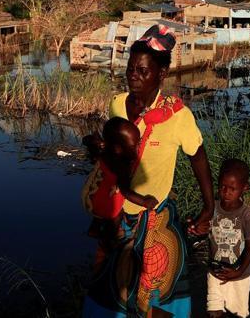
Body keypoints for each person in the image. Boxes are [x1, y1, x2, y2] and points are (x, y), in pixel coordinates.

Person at [82, 24, 215, 317]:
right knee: (108, 294)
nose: (134, 76)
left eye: (143, 71)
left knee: (158, 296)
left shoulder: (177, 116)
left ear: (162, 74)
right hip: (117, 215)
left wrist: (209, 206)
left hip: (154, 217)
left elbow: (198, 157)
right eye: (131, 69)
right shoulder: (117, 104)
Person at [83, 117, 158, 243]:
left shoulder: (106, 151)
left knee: (100, 211)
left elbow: (88, 142)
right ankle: (109, 242)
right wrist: (144, 201)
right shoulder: (120, 165)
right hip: (104, 202)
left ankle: (94, 230)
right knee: (117, 213)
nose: (138, 147)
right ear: (118, 149)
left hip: (91, 196)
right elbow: (126, 191)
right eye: (135, 145)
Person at [207, 159, 250, 318]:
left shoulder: (247, 216)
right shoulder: (212, 208)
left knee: (237, 313)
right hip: (215, 271)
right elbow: (203, 227)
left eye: (233, 188)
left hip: (239, 276)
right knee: (214, 311)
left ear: (244, 188)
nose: (226, 191)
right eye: (222, 186)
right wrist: (195, 226)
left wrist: (238, 272)